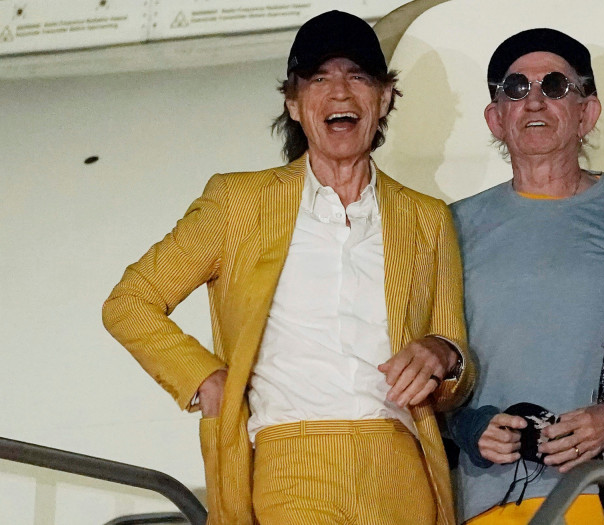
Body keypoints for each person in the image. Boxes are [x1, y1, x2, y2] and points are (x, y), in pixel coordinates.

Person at [102, 10, 473, 525]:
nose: (340, 92)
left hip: (398, 460)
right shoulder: (239, 203)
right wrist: (207, 379)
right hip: (292, 455)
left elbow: (456, 376)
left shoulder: (427, 219)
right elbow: (130, 302)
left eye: (358, 77)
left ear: (384, 99)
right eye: (319, 78)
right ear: (294, 104)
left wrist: (443, 353)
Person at [447, 28, 604, 525]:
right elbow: (429, 356)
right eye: (516, 88)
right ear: (496, 118)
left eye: (556, 86)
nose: (535, 100)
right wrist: (468, 426)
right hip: (487, 501)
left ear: (588, 112)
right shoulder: (448, 225)